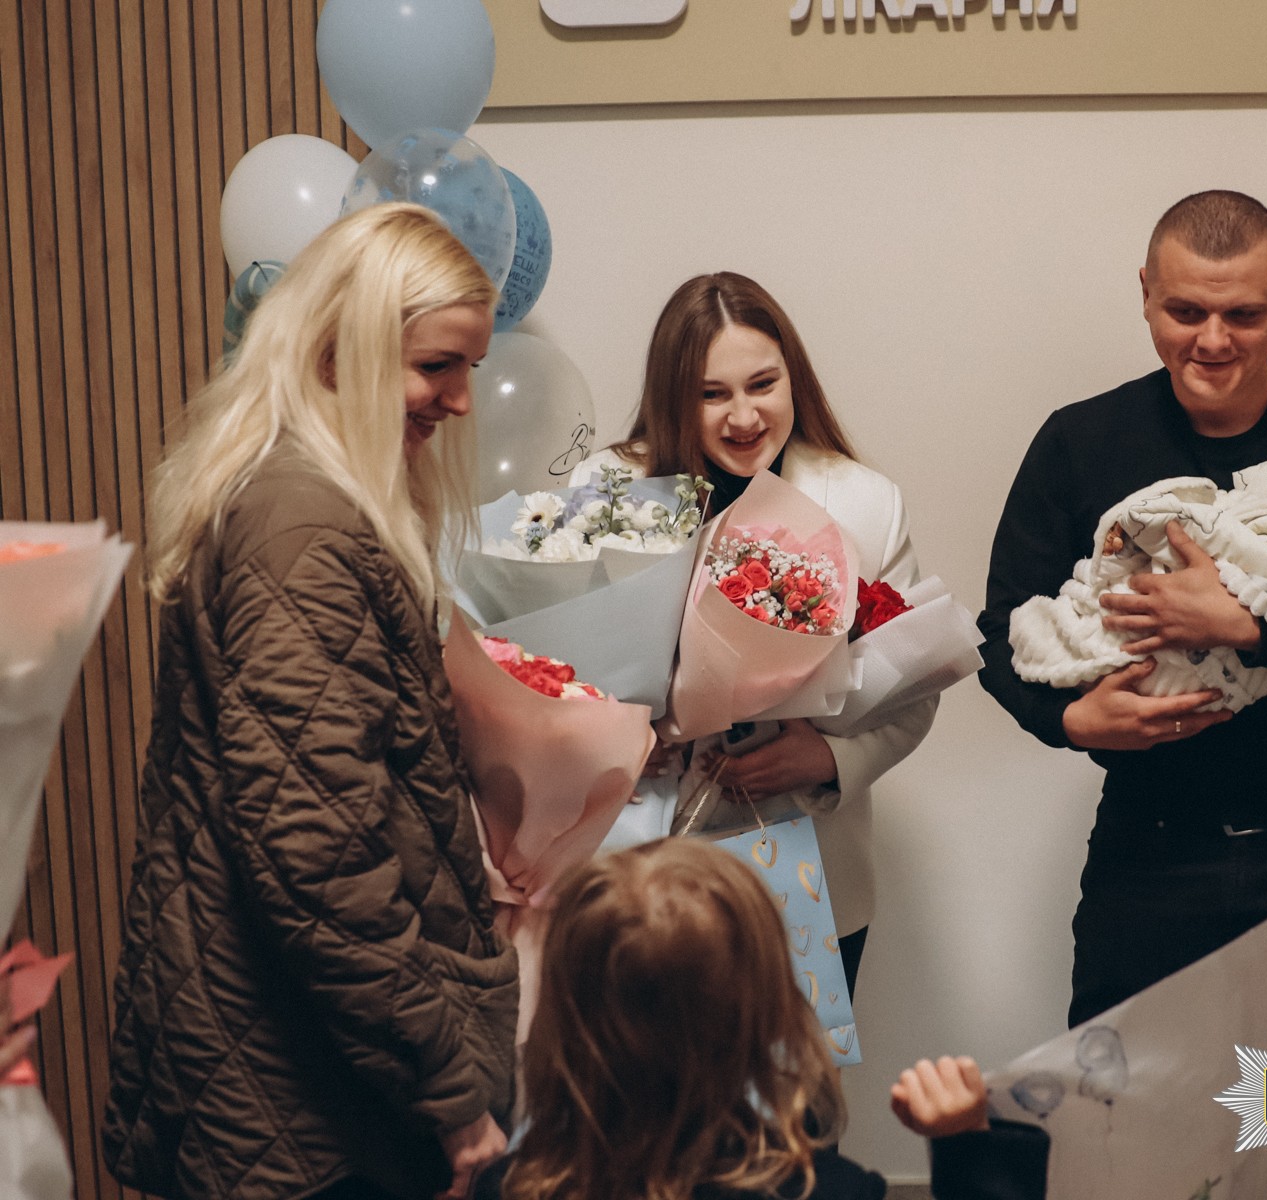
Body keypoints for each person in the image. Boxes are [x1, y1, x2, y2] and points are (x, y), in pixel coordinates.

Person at [103, 204, 519, 1200]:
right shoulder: (301, 532)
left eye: (469, 367)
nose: (462, 401)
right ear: (342, 351)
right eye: (437, 366)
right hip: (301, 1092)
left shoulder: (307, 501)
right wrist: (448, 1088)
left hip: (302, 1066)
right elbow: (318, 856)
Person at [978, 190, 1267, 1026]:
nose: (1213, 341)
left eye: (1244, 315)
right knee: (1127, 1101)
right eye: (1184, 311)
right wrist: (1069, 720)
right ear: (1145, 292)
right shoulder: (1079, 443)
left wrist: (1247, 627)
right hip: (1149, 856)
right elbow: (1003, 635)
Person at [573, 271, 935, 995]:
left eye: (762, 384)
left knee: (796, 1072)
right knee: (642, 1069)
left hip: (806, 864)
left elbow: (915, 685)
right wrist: (610, 737)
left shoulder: (865, 502)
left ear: (793, 377)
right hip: (637, 865)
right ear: (672, 396)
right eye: (712, 394)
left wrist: (828, 760)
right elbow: (545, 671)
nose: (743, 417)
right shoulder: (603, 492)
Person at [488, 838, 1048, 1200]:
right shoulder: (827, 1191)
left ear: (560, 1014)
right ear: (773, 1015)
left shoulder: (507, 1186)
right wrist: (969, 1151)